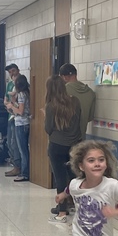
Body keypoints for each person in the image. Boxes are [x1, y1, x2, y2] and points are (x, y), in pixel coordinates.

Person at [44, 74, 81, 219]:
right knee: (76, 178)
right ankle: (80, 208)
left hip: (57, 145)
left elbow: (48, 129)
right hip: (75, 146)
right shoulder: (75, 102)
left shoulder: (50, 106)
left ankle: (62, 211)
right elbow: (79, 122)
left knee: (60, 178)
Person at [59, 63, 96, 138]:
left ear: (64, 77)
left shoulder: (63, 91)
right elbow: (90, 117)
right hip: (81, 137)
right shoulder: (91, 93)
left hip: (65, 139)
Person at [7, 73, 31, 182]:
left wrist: (12, 106)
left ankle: (24, 173)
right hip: (24, 123)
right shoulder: (26, 93)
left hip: (21, 123)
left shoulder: (21, 94)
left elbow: (20, 112)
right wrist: (13, 101)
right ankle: (24, 171)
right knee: (24, 149)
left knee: (22, 150)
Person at [4, 63, 22, 176]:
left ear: (18, 70)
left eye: (13, 71)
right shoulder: (10, 84)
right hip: (10, 116)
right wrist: (8, 104)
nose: (12, 74)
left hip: (18, 117)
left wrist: (12, 104)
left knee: (16, 143)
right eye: (10, 72)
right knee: (9, 142)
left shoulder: (22, 84)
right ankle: (14, 163)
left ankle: (18, 166)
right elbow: (5, 100)